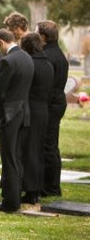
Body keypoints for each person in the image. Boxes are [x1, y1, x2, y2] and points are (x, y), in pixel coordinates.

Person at [0, 29, 34, 213]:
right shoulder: (27, 58)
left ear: (1, 42)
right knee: (16, 156)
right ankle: (15, 195)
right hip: (24, 112)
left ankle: (10, 201)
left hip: (9, 114)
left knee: (8, 158)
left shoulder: (7, 61)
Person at [20, 32, 53, 204]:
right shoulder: (47, 64)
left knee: (29, 151)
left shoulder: (31, 64)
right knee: (38, 151)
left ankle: (31, 191)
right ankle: (36, 188)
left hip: (31, 110)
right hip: (43, 110)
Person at [37, 20, 69, 198]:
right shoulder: (59, 54)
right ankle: (52, 185)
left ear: (43, 37)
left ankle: (51, 187)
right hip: (57, 101)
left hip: (50, 103)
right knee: (51, 144)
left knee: (48, 145)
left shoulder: (48, 56)